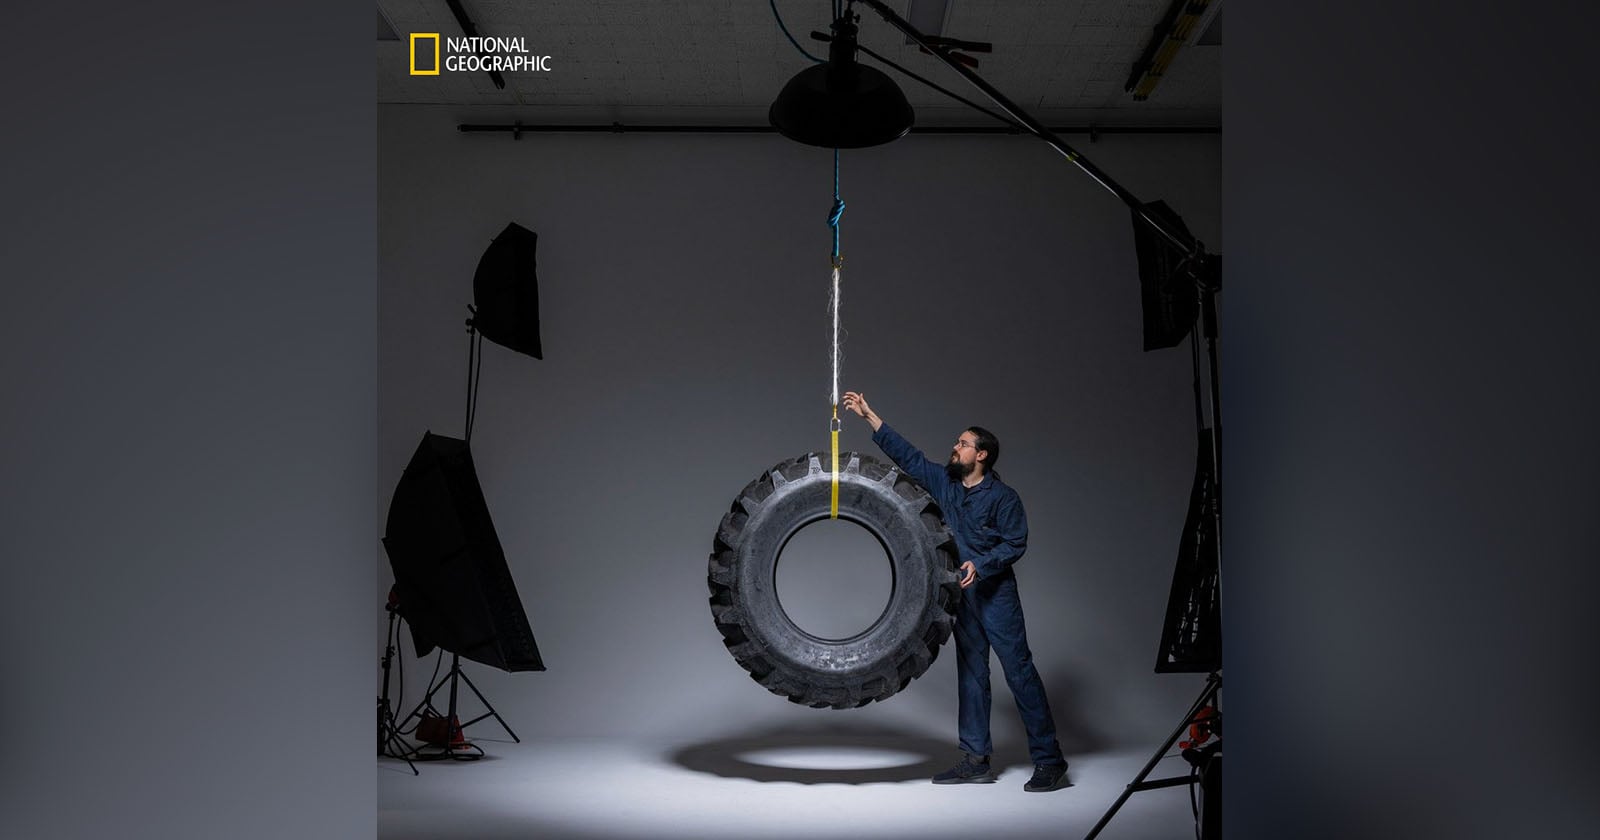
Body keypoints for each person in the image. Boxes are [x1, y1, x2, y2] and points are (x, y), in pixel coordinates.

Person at [840, 390, 1069, 792]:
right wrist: (869, 416)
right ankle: (975, 760)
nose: (955, 446)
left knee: (1020, 675)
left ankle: (1050, 761)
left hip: (996, 598)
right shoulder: (945, 483)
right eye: (958, 442)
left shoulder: (1003, 498)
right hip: (963, 601)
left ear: (981, 455)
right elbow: (909, 458)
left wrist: (980, 566)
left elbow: (1015, 544)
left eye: (963, 444)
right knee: (972, 677)